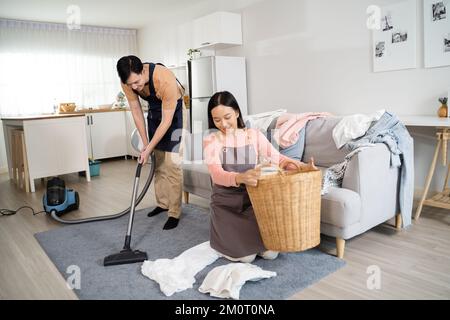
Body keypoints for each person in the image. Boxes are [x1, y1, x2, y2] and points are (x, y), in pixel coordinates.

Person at [203, 91, 316, 263]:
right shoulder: (212, 140)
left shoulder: (253, 135)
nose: (223, 124)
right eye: (217, 120)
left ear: (237, 112)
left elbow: (278, 159)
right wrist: (240, 177)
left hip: (253, 203)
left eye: (227, 117)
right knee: (246, 258)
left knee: (271, 254)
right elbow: (217, 175)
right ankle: (223, 240)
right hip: (226, 205)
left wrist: (301, 166)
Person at [117, 55, 184, 230]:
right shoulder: (127, 82)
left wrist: (148, 148)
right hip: (154, 112)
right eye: (130, 84)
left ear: (143, 71)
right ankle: (162, 204)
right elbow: (136, 110)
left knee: (172, 164)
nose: (134, 87)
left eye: (137, 82)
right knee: (158, 162)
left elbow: (167, 121)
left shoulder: (164, 78)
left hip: (172, 114)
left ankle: (174, 212)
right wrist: (146, 145)